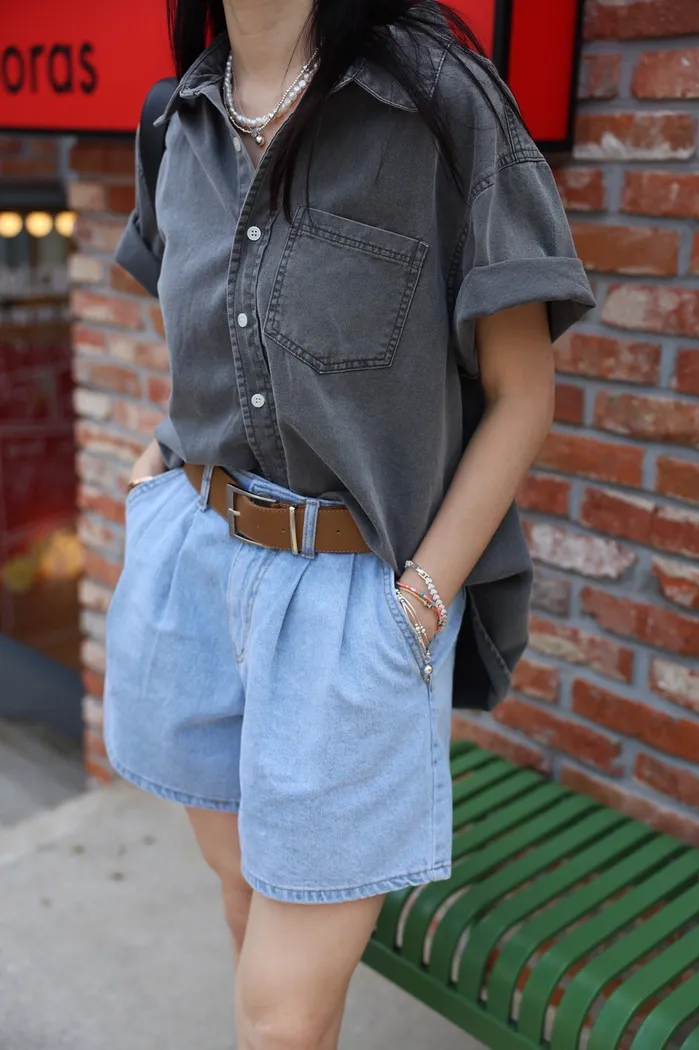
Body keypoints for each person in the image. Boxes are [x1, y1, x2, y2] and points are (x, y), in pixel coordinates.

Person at [104, 0, 594, 1046]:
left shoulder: (435, 102)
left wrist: (418, 601)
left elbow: (523, 395)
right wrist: (154, 470)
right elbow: (219, 336)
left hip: (347, 605)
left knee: (278, 1016)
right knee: (241, 902)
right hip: (196, 568)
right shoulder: (175, 118)